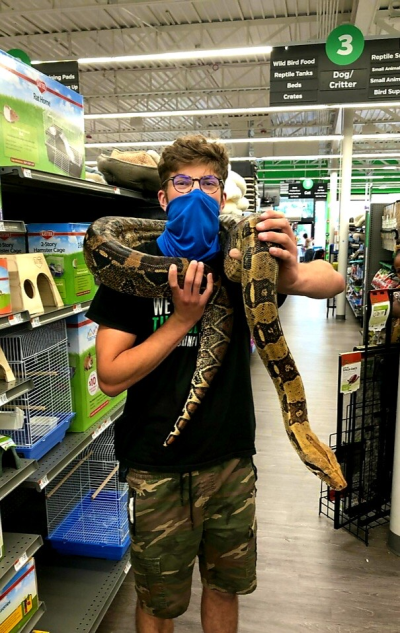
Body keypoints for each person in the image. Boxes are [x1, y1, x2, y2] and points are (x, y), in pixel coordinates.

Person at [86, 134, 345, 633]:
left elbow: (332, 279)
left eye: (208, 183)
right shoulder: (128, 270)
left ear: (222, 196)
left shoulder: (242, 260)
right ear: (163, 197)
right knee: (158, 602)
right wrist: (181, 320)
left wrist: (291, 272)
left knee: (225, 586)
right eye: (181, 183)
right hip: (156, 464)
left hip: (230, 458)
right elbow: (111, 377)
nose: (195, 193)